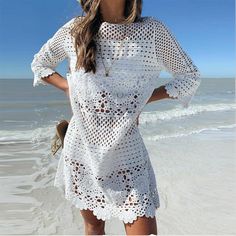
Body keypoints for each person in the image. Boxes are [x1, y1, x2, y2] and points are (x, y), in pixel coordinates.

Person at [31, 0, 201, 235]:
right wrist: (69, 88)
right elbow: (41, 64)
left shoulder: (152, 31)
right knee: (94, 227)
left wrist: (140, 100)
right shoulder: (75, 30)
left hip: (127, 152)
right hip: (82, 149)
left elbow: (189, 76)